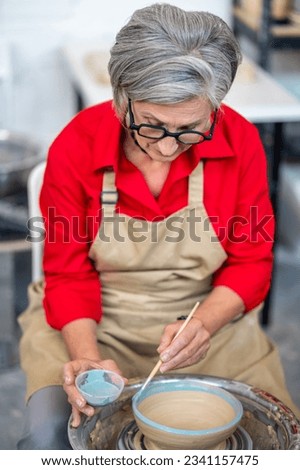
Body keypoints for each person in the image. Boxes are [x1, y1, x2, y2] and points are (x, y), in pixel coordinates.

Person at [17, 3, 299, 450]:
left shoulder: (239, 140)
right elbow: (68, 274)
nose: (168, 148)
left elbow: (251, 263)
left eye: (189, 129)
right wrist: (88, 361)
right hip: (91, 322)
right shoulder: (77, 144)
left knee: (274, 441)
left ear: (215, 108)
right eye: (150, 126)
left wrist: (204, 325)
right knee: (53, 439)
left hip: (206, 319)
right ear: (120, 97)